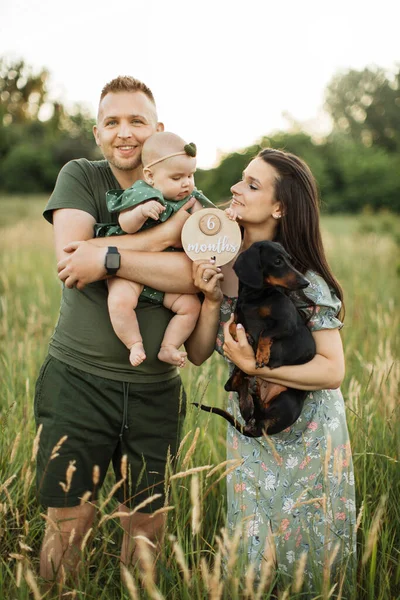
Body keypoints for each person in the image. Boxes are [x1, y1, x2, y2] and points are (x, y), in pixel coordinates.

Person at [35, 75, 200, 583]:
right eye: (112, 122)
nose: (124, 132)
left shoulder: (186, 186)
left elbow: (201, 273)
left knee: (147, 525)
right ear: (97, 131)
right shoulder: (82, 176)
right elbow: (72, 261)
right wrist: (170, 237)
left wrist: (106, 256)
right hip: (78, 381)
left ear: (158, 130)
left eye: (137, 121)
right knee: (69, 521)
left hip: (154, 391)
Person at [185, 148, 356, 593]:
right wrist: (207, 300)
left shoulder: (303, 280)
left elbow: (332, 369)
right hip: (252, 433)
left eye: (251, 185)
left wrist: (251, 367)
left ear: (279, 207)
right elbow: (201, 353)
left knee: (310, 566)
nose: (235, 190)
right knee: (252, 567)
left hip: (308, 432)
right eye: (241, 180)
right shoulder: (219, 267)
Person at [95, 131, 215, 368]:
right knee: (119, 301)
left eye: (190, 175)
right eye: (177, 177)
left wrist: (224, 216)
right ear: (150, 176)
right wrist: (140, 212)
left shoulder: (192, 198)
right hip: (132, 268)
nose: (186, 183)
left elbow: (208, 221)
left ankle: (168, 347)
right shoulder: (141, 194)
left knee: (190, 307)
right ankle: (134, 343)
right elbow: (124, 224)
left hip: (168, 275)